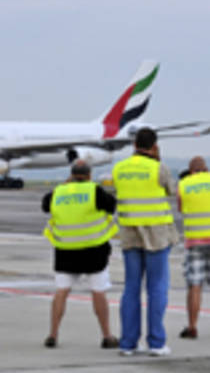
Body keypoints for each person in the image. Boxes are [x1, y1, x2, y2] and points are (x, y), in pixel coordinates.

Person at [113, 127, 179, 356]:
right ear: (154, 146)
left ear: (134, 145)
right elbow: (173, 191)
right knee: (157, 288)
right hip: (156, 234)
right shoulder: (158, 167)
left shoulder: (119, 168)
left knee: (131, 288)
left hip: (130, 232)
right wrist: (157, 160)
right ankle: (156, 342)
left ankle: (128, 343)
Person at [42, 160, 120, 349]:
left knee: (61, 292)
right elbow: (112, 206)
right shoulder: (95, 191)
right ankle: (107, 335)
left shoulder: (58, 192)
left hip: (65, 250)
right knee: (98, 292)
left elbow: (45, 206)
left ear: (72, 174)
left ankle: (53, 334)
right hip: (93, 250)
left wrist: (65, 185)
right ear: (89, 174)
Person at [178, 156, 210, 339]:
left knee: (195, 285)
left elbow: (181, 209)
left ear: (191, 171)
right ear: (205, 169)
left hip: (195, 241)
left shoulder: (184, 184)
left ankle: (192, 327)